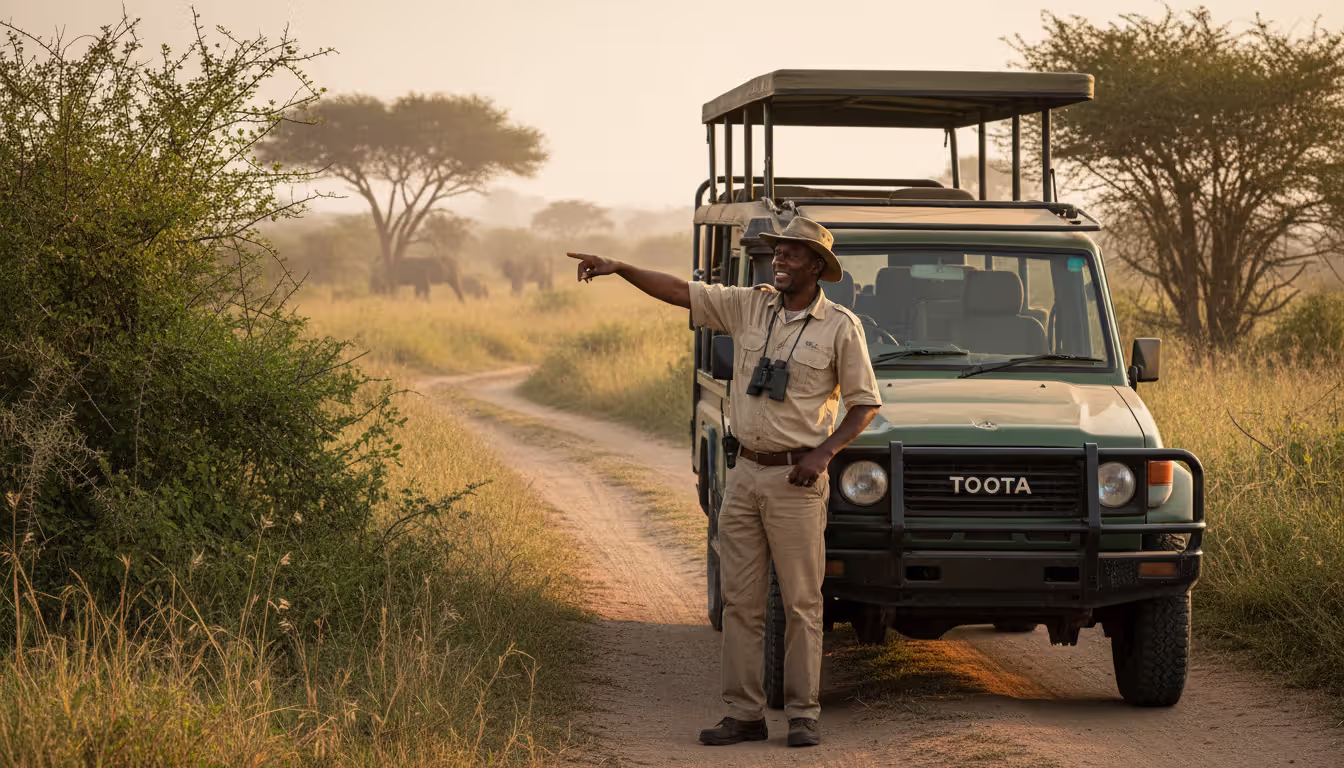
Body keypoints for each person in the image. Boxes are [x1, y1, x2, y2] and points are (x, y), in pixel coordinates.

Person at [567, 216, 881, 748]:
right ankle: (745, 714)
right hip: (745, 474)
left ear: (817, 267)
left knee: (803, 602)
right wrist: (619, 268)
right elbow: (677, 291)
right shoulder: (749, 304)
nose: (778, 258)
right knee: (741, 601)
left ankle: (803, 714)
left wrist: (825, 454)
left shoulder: (840, 327)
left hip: (795, 481)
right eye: (776, 250)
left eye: (791, 252)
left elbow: (864, 404)